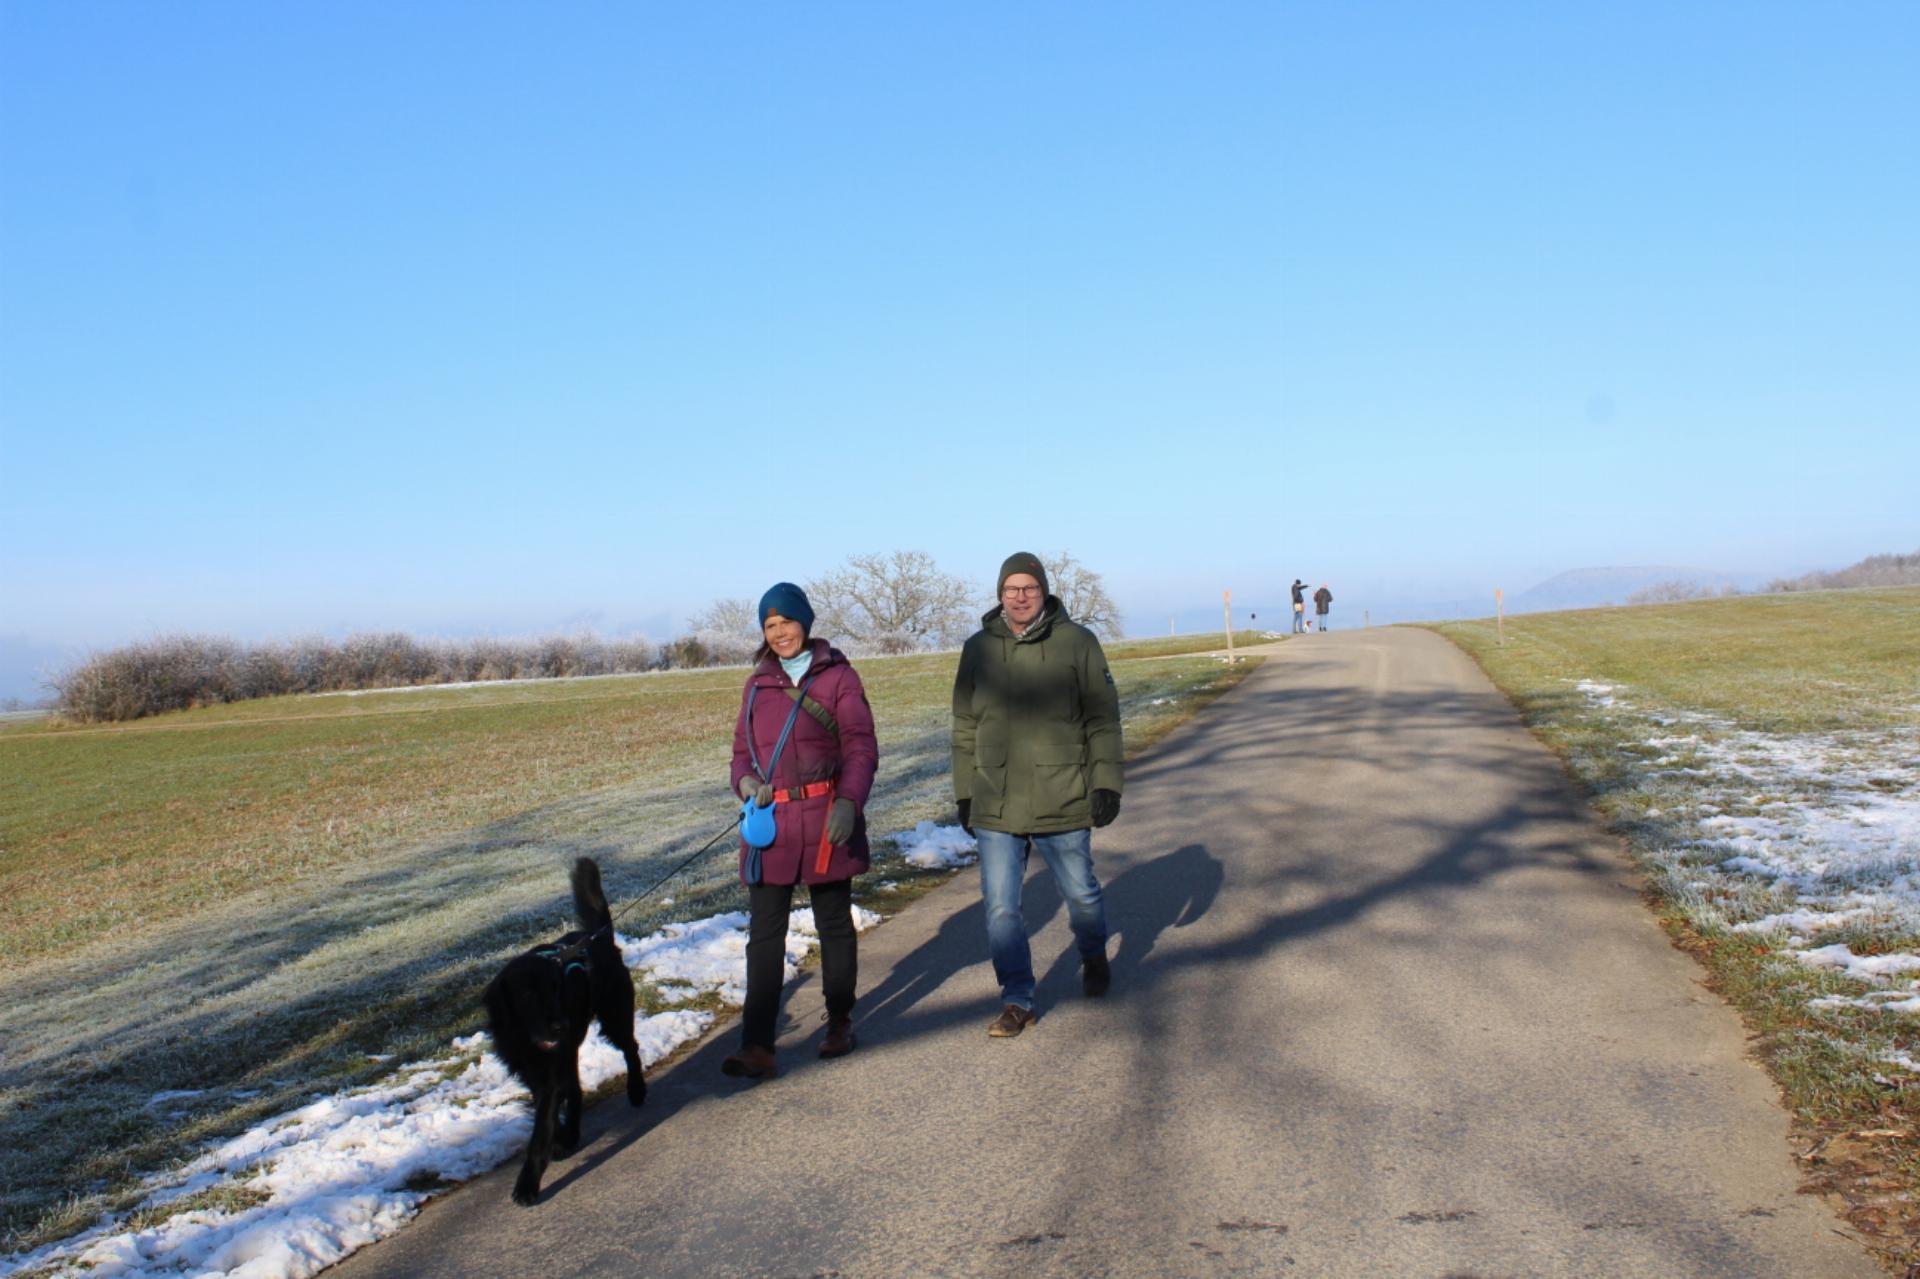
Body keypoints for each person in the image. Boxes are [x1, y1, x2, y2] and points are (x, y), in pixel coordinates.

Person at [951, 552, 1123, 1038]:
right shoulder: (977, 649)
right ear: (1000, 594)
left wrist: (1106, 782)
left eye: (1029, 588)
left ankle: (1092, 953)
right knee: (1001, 907)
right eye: (1011, 589)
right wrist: (965, 792)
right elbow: (964, 725)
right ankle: (1017, 998)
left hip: (1062, 794)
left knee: (1082, 895)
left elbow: (1103, 719)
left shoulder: (1078, 643)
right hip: (995, 798)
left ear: (1044, 591)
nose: (1020, 597)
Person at [723, 582, 879, 1078]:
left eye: (787, 622)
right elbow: (740, 754)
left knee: (832, 924)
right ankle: (757, 1045)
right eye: (770, 626)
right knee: (764, 936)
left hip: (825, 818)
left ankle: (839, 1021)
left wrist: (850, 803)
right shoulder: (756, 684)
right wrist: (745, 781)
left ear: (805, 624)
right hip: (770, 828)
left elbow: (861, 746)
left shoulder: (839, 678)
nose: (780, 632)